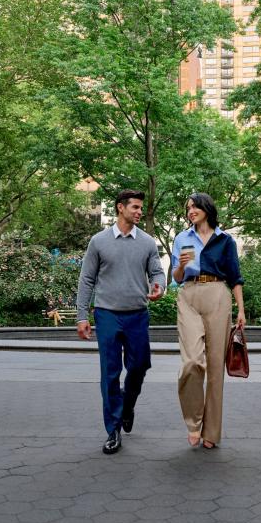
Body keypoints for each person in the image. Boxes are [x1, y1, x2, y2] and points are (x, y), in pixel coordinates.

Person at [76, 190, 166, 455]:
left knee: (140, 366)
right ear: (120, 208)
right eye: (135, 207)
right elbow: (86, 279)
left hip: (137, 314)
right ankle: (113, 430)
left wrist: (159, 286)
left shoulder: (147, 242)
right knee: (110, 373)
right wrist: (82, 316)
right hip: (107, 314)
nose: (139, 211)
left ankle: (128, 405)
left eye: (140, 207)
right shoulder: (99, 241)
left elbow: (157, 272)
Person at [172, 193, 245, 450]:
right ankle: (193, 423)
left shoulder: (225, 240)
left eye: (195, 206)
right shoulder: (182, 238)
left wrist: (241, 310)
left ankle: (211, 431)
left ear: (206, 208)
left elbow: (235, 276)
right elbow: (176, 278)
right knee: (191, 362)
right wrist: (181, 266)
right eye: (188, 208)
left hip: (218, 295)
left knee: (215, 369)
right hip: (189, 295)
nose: (190, 211)